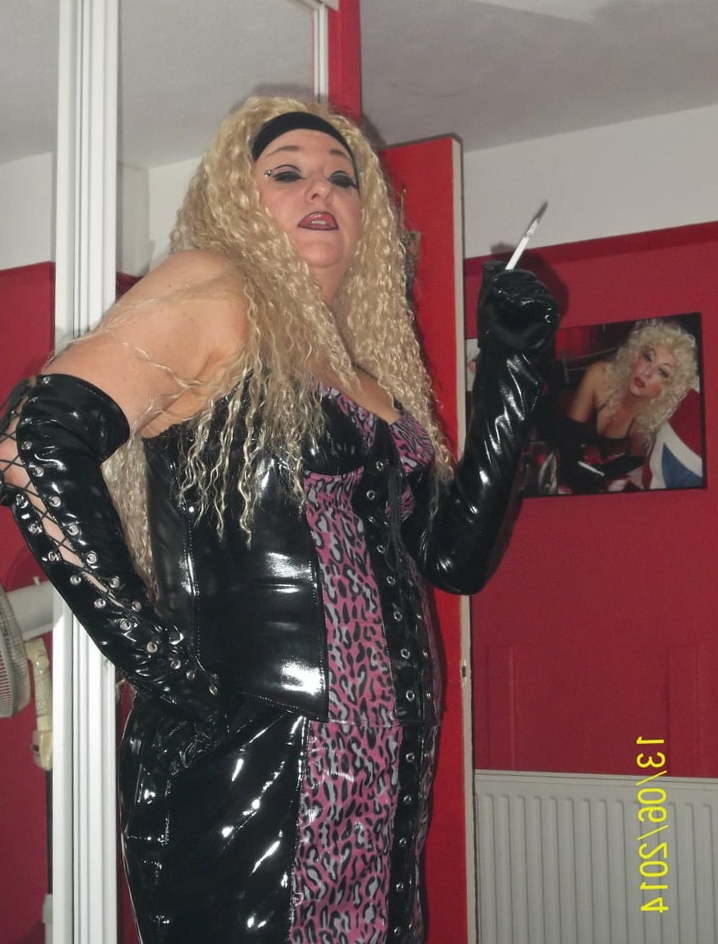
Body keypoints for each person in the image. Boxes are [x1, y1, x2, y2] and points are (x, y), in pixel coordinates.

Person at [0, 96, 557, 943]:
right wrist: (159, 664)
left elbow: (454, 560)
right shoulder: (211, 292)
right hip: (249, 765)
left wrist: (514, 371)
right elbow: (33, 443)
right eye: (287, 173)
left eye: (343, 178)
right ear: (238, 200)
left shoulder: (364, 373)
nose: (320, 189)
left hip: (382, 770)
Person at [557, 318, 697, 492]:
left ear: (669, 387)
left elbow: (622, 474)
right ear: (636, 355)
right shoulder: (599, 375)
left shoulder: (650, 425)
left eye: (662, 372)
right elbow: (566, 440)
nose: (647, 372)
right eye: (648, 357)